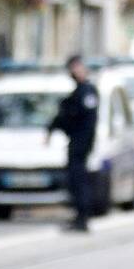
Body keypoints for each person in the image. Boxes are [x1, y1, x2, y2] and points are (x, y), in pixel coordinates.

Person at [46, 55, 99, 233]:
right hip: (75, 142)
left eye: (77, 67)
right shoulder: (77, 92)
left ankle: (82, 217)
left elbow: (86, 120)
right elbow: (64, 115)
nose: (74, 71)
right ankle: (79, 215)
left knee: (79, 179)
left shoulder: (87, 91)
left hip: (80, 143)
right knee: (75, 180)